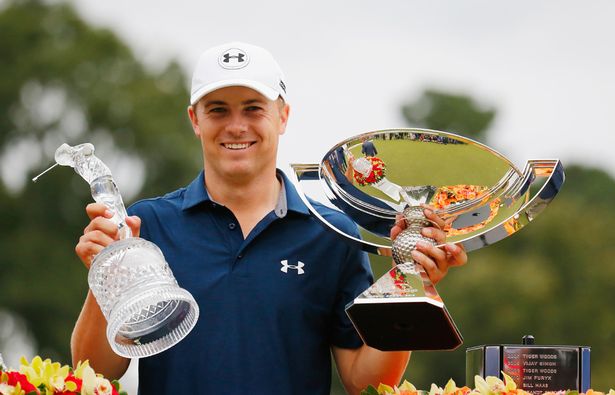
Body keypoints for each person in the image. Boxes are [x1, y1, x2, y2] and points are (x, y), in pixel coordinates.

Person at [71, 42, 467, 395]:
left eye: (253, 108)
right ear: (195, 120)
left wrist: (411, 286)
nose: (236, 126)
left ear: (283, 116)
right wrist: (107, 271)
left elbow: (365, 383)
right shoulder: (149, 224)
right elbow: (96, 372)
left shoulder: (332, 235)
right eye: (218, 110)